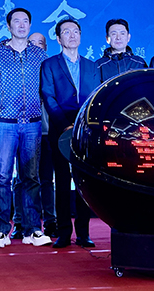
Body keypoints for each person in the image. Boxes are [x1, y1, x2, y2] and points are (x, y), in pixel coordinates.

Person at [0, 8, 51, 248]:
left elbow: (47, 89)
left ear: (30, 25)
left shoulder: (40, 56)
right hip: (4, 123)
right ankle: (0, 230)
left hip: (32, 123)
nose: (21, 25)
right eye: (16, 21)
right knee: (2, 177)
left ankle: (33, 229)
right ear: (9, 26)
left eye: (25, 21)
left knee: (31, 177)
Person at [40, 18, 100, 248]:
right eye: (66, 32)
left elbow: (96, 97)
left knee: (84, 183)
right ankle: (64, 232)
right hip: (60, 129)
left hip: (85, 131)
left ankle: (83, 233)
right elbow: (48, 97)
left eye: (76, 31)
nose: (72, 35)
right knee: (62, 181)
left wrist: (85, 124)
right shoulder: (50, 65)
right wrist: (65, 125)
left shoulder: (92, 66)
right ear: (58, 38)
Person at [10, 31, 56, 239]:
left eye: (41, 43)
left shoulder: (52, 69)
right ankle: (20, 222)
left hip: (47, 132)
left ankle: (50, 221)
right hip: (24, 131)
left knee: (46, 179)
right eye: (33, 43)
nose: (36, 46)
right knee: (22, 178)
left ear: (45, 48)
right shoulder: (19, 70)